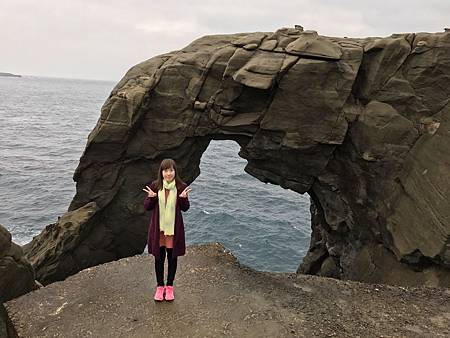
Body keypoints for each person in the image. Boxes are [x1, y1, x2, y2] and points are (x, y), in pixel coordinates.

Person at [143, 158, 191, 302]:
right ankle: (159, 287)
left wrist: (183, 199)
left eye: (171, 170)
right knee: (159, 258)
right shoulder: (155, 186)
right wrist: (151, 198)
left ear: (175, 171)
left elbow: (185, 208)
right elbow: (147, 207)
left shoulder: (181, 187)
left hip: (173, 230)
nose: (168, 173)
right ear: (161, 172)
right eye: (165, 170)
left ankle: (169, 287)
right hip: (159, 230)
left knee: (172, 258)